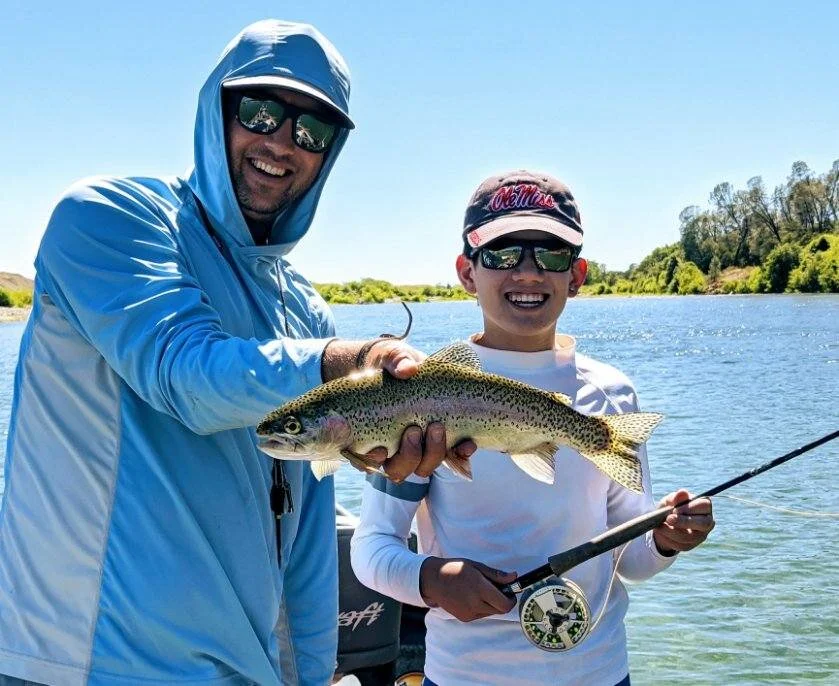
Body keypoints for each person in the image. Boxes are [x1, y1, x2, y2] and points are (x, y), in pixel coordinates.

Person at [0, 20, 471, 686]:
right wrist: (340, 365)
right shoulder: (107, 218)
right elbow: (186, 374)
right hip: (83, 667)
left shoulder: (304, 309)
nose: (280, 142)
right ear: (214, 109)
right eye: (260, 112)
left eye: (310, 131)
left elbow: (306, 531)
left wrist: (309, 674)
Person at [351, 170, 716, 686]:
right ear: (466, 272)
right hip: (463, 676)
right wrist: (431, 579)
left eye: (550, 255)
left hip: (600, 672)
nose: (527, 273)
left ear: (577, 275)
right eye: (501, 255)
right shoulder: (420, 393)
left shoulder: (611, 394)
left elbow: (632, 559)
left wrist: (666, 538)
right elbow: (372, 548)